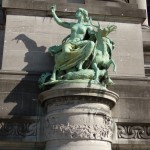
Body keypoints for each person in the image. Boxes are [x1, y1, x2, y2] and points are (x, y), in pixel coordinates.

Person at [49, 5, 95, 81]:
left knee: (91, 44)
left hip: (80, 42)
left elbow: (92, 35)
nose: (76, 13)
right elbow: (60, 22)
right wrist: (53, 13)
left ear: (82, 14)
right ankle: (61, 67)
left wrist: (97, 33)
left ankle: (80, 63)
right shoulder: (73, 24)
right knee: (66, 52)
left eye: (78, 12)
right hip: (70, 42)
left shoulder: (87, 26)